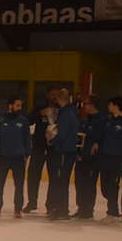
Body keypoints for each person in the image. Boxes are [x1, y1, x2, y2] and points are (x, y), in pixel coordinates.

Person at [0, 96, 31, 218]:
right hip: (3, 158)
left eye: (20, 105)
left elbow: (27, 140)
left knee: (19, 186)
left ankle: (17, 209)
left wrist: (26, 154)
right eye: (17, 105)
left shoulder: (24, 121)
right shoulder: (0, 121)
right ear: (10, 105)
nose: (20, 108)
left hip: (19, 159)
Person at [98, 97, 122, 224]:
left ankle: (112, 212)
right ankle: (113, 207)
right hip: (106, 157)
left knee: (112, 185)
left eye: (110, 104)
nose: (108, 106)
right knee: (104, 187)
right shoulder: (108, 120)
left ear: (116, 106)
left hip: (119, 158)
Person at [45, 88, 80, 220]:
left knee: (61, 181)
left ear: (59, 99)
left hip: (64, 151)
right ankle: (61, 209)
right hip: (68, 150)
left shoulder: (65, 114)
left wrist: (51, 140)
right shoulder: (71, 112)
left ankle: (61, 210)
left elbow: (63, 134)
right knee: (62, 181)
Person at [73, 96, 106, 219]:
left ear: (92, 105)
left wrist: (98, 144)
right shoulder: (85, 120)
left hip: (92, 159)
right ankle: (81, 207)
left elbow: (103, 138)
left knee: (89, 184)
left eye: (85, 104)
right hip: (81, 157)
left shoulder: (101, 120)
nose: (83, 106)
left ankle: (88, 209)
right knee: (79, 183)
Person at [24, 89, 57, 213]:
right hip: (38, 146)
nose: (54, 97)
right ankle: (32, 202)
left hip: (54, 148)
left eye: (56, 95)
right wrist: (40, 114)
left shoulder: (61, 109)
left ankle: (51, 204)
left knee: (53, 176)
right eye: (52, 94)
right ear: (47, 94)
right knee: (33, 175)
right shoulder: (40, 107)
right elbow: (27, 121)